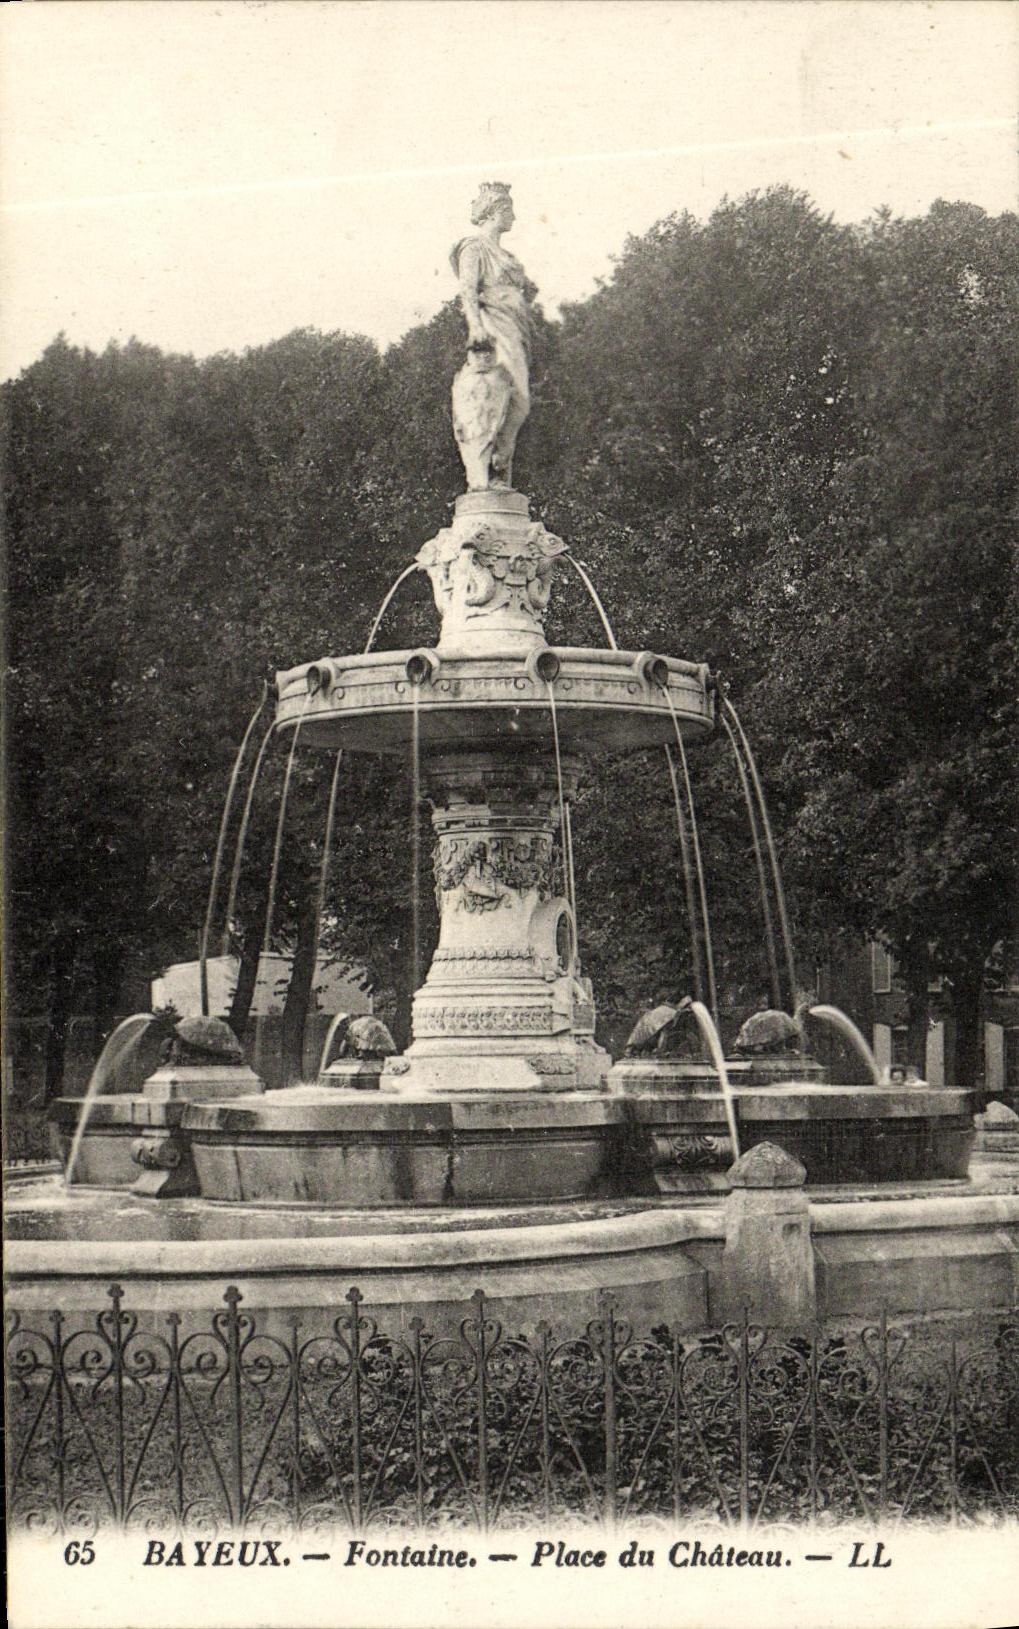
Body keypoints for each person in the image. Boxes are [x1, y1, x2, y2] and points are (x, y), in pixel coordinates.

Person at [450, 182, 534, 488]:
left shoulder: (506, 254)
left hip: (515, 329)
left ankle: (500, 467)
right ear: (491, 212)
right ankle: (489, 472)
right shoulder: (474, 248)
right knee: (495, 400)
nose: (513, 216)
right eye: (508, 209)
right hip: (493, 328)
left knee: (520, 402)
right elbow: (468, 290)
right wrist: (475, 326)